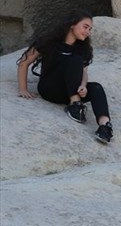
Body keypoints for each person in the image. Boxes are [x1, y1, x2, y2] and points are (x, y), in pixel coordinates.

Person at [16, 9, 114, 144]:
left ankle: (104, 126)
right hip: (50, 88)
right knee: (74, 60)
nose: (88, 32)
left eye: (90, 29)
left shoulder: (82, 49)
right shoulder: (49, 42)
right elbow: (24, 63)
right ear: (72, 24)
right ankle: (75, 104)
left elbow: (84, 72)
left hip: (67, 91)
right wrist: (23, 88)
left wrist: (83, 86)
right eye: (85, 27)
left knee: (96, 87)